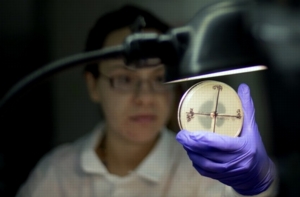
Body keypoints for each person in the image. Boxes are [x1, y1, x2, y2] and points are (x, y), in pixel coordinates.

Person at [16, 5, 278, 197]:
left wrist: (255, 182)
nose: (145, 97)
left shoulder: (203, 174)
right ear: (93, 85)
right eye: (125, 79)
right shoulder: (57, 174)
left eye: (159, 78)